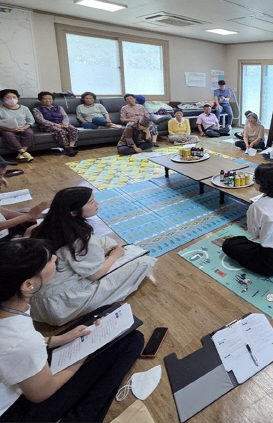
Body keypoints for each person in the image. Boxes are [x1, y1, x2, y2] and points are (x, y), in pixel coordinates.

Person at [0, 238, 144, 422]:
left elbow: (10, 350)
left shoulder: (10, 309)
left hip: (18, 373)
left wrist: (59, 340)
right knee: (132, 340)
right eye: (48, 260)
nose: (55, 258)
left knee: (104, 312)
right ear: (28, 284)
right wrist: (83, 353)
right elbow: (41, 393)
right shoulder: (22, 340)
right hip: (15, 411)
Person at [30, 187, 156, 325]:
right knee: (144, 262)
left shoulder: (43, 227)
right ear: (74, 212)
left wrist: (103, 253)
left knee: (107, 241)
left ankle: (101, 259)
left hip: (36, 297)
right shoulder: (80, 240)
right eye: (91, 202)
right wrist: (113, 256)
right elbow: (94, 275)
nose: (96, 203)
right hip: (60, 305)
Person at [222, 163, 273, 276]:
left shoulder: (257, 206)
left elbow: (253, 232)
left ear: (263, 183)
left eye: (255, 179)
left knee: (229, 244)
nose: (254, 182)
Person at [32, 92, 79, 157]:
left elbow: (65, 116)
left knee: (73, 129)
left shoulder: (59, 107)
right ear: (41, 100)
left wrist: (65, 123)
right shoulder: (36, 109)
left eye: (50, 99)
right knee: (60, 131)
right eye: (45, 99)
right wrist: (55, 124)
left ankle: (71, 147)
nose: (48, 100)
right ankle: (66, 147)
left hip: (61, 123)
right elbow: (41, 120)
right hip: (47, 125)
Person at [0, 89, 35, 162]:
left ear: (17, 97)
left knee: (29, 133)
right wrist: (11, 130)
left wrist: (24, 127)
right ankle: (23, 153)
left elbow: (31, 120)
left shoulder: (24, 108)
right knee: (8, 135)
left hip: (23, 127)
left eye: (14, 97)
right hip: (7, 129)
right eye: (8, 97)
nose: (12, 99)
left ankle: (21, 154)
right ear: (2, 99)